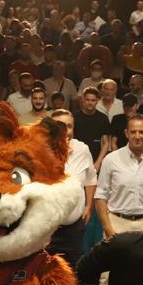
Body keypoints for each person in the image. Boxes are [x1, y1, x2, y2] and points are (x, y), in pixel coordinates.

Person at [95, 115, 143, 239]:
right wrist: (107, 228)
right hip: (117, 223)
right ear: (126, 133)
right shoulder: (111, 159)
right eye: (133, 132)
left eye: (141, 132)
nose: (137, 136)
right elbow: (100, 196)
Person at [46, 110, 96, 271]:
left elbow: (90, 179)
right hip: (46, 229)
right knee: (45, 274)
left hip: (74, 228)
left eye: (69, 126)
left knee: (74, 273)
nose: (65, 131)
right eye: (60, 126)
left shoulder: (82, 150)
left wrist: (89, 206)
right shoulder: (39, 152)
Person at [73, 87, 112, 171]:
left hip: (95, 159)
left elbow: (106, 143)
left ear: (97, 101)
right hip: (77, 159)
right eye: (87, 100)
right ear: (83, 100)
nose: (90, 103)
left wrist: (98, 162)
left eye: (93, 100)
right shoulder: (74, 117)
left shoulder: (103, 118)